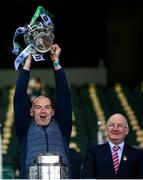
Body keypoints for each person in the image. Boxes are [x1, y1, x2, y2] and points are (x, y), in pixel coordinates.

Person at [13, 44, 72, 179]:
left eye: (47, 107)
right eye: (38, 107)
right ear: (31, 112)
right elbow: (19, 98)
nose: (43, 111)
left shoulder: (63, 128)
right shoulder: (24, 129)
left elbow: (65, 97)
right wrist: (27, 63)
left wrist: (56, 61)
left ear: (53, 112)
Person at [82, 113, 143, 179]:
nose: (115, 129)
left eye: (119, 126)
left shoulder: (138, 154)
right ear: (107, 129)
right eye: (111, 125)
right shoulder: (93, 152)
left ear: (126, 130)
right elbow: (87, 177)